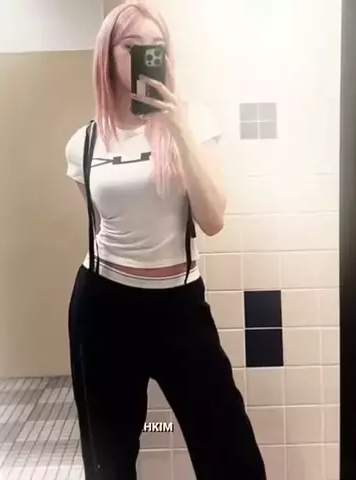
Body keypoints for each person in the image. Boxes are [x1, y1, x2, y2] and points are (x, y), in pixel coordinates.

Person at [65, 1, 266, 478]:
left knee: (231, 454)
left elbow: (213, 219)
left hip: (180, 307)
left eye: (155, 47)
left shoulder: (194, 122)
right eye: (131, 46)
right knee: (111, 458)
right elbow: (104, 224)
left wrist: (176, 127)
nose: (144, 55)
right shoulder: (83, 144)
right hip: (105, 307)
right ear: (107, 55)